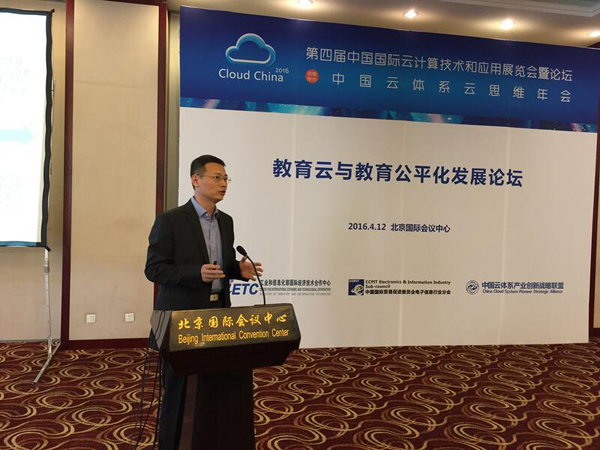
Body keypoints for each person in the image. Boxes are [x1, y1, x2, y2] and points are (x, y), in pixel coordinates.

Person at [144, 154, 262, 449]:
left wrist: (238, 270)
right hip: (182, 319)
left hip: (218, 316)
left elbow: (223, 264)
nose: (223, 184)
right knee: (179, 392)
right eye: (217, 177)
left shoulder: (226, 221)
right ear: (195, 180)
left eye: (226, 178)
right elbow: (154, 269)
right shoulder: (170, 220)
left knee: (214, 388)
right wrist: (195, 273)